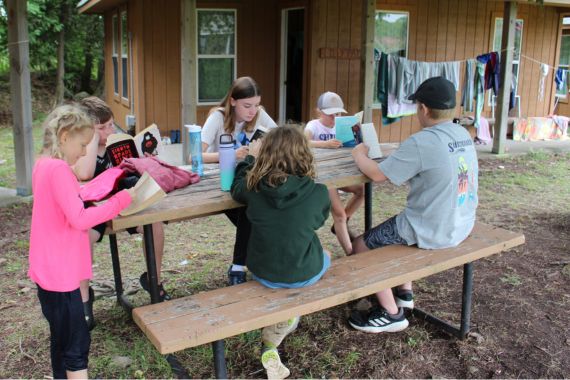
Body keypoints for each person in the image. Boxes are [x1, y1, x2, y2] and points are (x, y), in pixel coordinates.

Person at [348, 77, 479, 333]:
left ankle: (390, 313)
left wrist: (358, 154)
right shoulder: (462, 133)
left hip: (432, 226)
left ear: (424, 109)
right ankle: (405, 294)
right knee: (400, 226)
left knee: (360, 247)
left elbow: (377, 175)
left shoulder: (422, 141)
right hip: (462, 222)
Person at [29, 105, 133, 379]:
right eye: (82, 144)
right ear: (64, 137)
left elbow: (65, 203)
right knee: (76, 343)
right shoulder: (60, 170)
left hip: (47, 271)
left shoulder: (42, 165)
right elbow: (79, 218)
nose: (86, 151)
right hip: (61, 276)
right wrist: (119, 201)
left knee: (61, 338)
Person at [230, 126, 331, 379]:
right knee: (326, 253)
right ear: (305, 155)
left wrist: (249, 160)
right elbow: (317, 223)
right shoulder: (318, 192)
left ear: (266, 155)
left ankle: (284, 319)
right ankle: (286, 318)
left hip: (263, 272)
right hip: (305, 274)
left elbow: (236, 188)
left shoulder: (254, 189)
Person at [73, 97, 169, 326]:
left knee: (153, 223)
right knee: (81, 239)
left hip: (122, 201)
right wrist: (92, 138)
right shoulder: (80, 149)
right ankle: (83, 298)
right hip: (94, 209)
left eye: (110, 125)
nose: (109, 131)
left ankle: (153, 279)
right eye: (101, 128)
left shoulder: (116, 142)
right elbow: (84, 175)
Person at [200, 76, 278, 285]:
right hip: (221, 181)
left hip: (250, 178)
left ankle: (239, 266)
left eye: (256, 105)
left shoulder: (258, 114)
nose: (253, 111)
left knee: (257, 212)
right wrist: (230, 154)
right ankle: (240, 265)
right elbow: (195, 156)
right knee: (253, 212)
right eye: (247, 106)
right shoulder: (218, 117)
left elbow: (279, 137)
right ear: (233, 101)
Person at [304, 91, 364, 255]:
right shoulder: (313, 125)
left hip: (341, 173)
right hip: (323, 176)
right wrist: (325, 144)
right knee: (338, 214)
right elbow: (302, 142)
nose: (334, 118)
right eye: (330, 114)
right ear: (318, 111)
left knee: (362, 191)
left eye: (338, 114)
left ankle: (342, 222)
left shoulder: (341, 125)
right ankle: (351, 253)